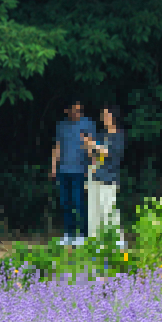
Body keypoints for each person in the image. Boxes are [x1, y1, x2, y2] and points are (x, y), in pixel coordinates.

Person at [49, 100, 96, 243]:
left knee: (79, 202)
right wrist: (53, 167)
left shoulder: (88, 123)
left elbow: (92, 146)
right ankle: (68, 235)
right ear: (67, 111)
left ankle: (83, 234)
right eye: (75, 111)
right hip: (63, 170)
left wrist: (91, 167)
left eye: (79, 110)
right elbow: (57, 146)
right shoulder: (61, 126)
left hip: (80, 170)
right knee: (65, 202)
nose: (78, 113)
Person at [87, 104, 126, 246]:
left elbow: (109, 152)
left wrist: (93, 145)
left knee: (109, 212)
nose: (103, 118)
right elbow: (96, 155)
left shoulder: (119, 135)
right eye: (102, 115)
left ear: (113, 117)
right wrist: (91, 153)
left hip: (109, 179)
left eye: (105, 115)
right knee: (94, 213)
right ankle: (96, 245)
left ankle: (118, 245)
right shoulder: (102, 135)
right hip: (95, 176)